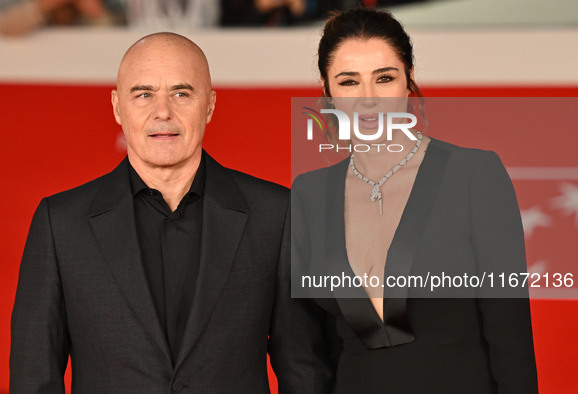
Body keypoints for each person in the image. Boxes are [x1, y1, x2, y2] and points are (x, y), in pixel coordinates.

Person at [10, 32, 333, 393]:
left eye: (181, 93)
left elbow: (304, 370)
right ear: (117, 106)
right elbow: (33, 377)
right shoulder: (60, 223)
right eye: (143, 94)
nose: (162, 112)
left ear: (209, 104)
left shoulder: (276, 214)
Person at [291, 8, 538, 393]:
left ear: (408, 81)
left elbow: (511, 339)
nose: (368, 98)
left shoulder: (474, 175)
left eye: (384, 78)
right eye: (349, 81)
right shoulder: (308, 194)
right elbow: (310, 350)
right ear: (328, 91)